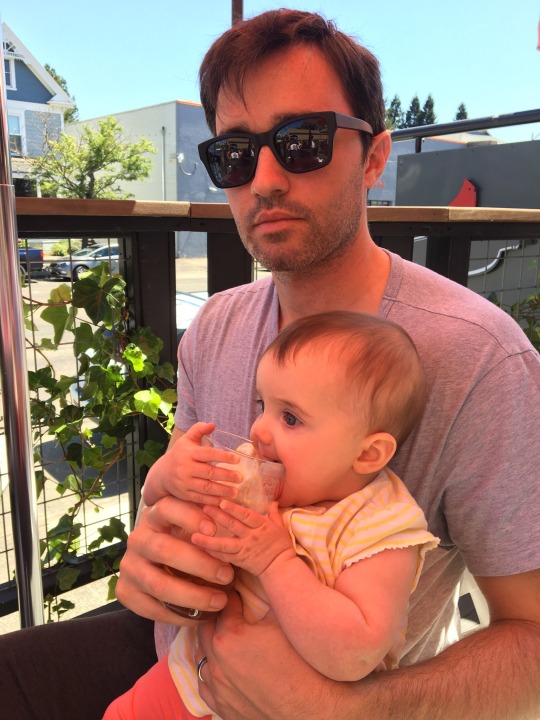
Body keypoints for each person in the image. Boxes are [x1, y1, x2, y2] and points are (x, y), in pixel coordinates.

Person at [0, 9, 538, 720]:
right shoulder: (215, 327)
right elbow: (177, 507)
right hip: (179, 665)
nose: (264, 180)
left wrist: (353, 710)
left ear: (373, 157)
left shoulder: (479, 359)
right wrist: (151, 559)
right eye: (235, 154)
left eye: (302, 141)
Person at [104, 311, 439, 718]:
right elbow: (177, 521)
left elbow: (355, 654)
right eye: (263, 405)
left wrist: (276, 561)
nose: (258, 430)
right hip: (183, 675)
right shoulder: (259, 472)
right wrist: (169, 478)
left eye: (291, 418)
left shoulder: (380, 524)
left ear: (368, 453)